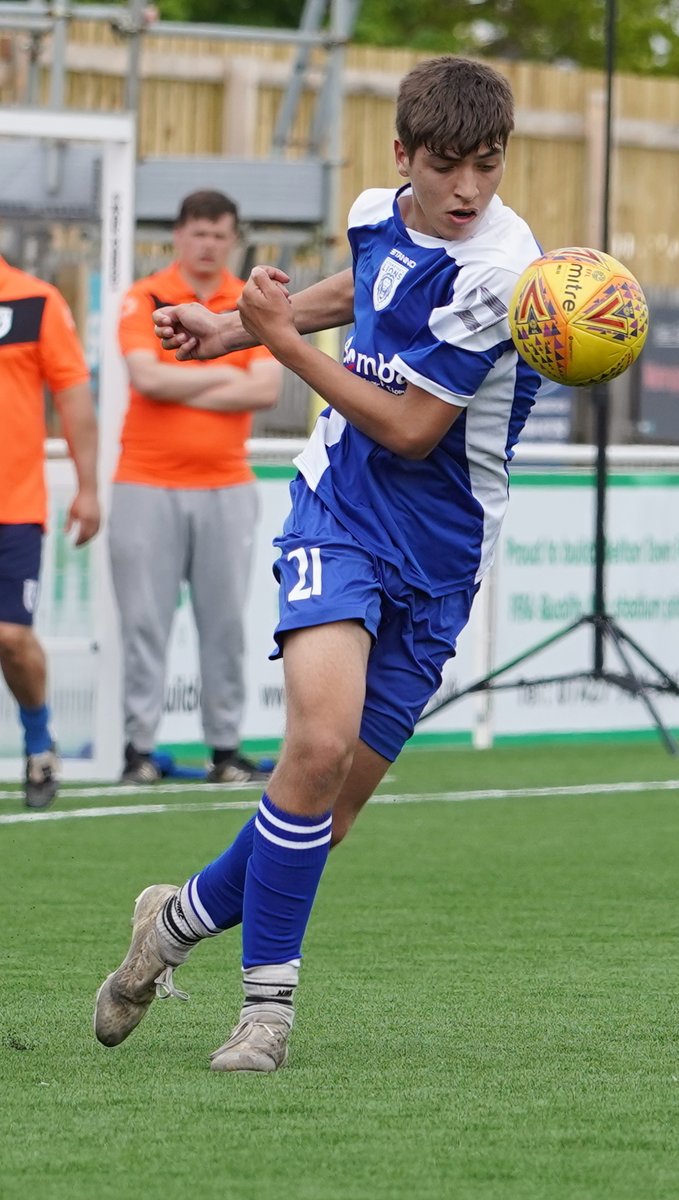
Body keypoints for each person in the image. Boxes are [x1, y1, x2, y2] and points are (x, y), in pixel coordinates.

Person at [93, 56, 542, 1071]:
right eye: (446, 165)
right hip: (337, 512)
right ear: (402, 156)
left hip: (440, 559)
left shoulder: (500, 274)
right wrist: (230, 330)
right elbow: (363, 289)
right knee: (316, 749)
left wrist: (273, 344)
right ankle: (266, 1014)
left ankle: (169, 924)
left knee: (320, 818)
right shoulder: (377, 212)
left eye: (486, 164)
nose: (467, 187)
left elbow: (412, 430)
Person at [111, 189, 283, 785]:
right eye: (199, 233)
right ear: (179, 236)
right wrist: (221, 379)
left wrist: (179, 379)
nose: (208, 244)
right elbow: (145, 378)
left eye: (219, 234)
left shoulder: (250, 302)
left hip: (226, 485)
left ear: (232, 240)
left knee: (225, 624)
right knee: (144, 623)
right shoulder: (145, 296)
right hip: (144, 483)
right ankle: (138, 751)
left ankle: (225, 751)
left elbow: (266, 390)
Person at [0, 253, 100, 809]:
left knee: (11, 638)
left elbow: (73, 395)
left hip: (13, 507)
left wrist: (88, 487)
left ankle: (39, 741)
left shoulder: (35, 300)